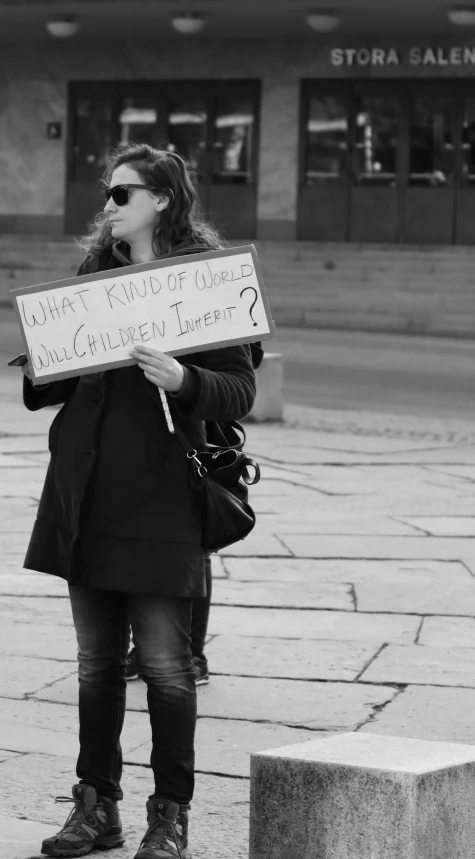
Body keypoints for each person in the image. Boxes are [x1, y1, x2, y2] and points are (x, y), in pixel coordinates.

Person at [20, 143, 256, 859]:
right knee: (95, 664)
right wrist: (45, 359)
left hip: (162, 501)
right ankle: (96, 808)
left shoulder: (202, 283)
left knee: (163, 666)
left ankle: (169, 815)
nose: (109, 204)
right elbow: (54, 386)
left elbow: (237, 389)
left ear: (160, 197)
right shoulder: (98, 273)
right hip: (86, 493)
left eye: (122, 194)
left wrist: (182, 378)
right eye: (107, 193)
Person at [126, 342, 264, 687]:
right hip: (125, 440)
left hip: (188, 436)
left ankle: (188, 652)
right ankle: (145, 647)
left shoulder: (214, 291)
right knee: (131, 543)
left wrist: (186, 378)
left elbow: (243, 370)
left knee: (189, 544)